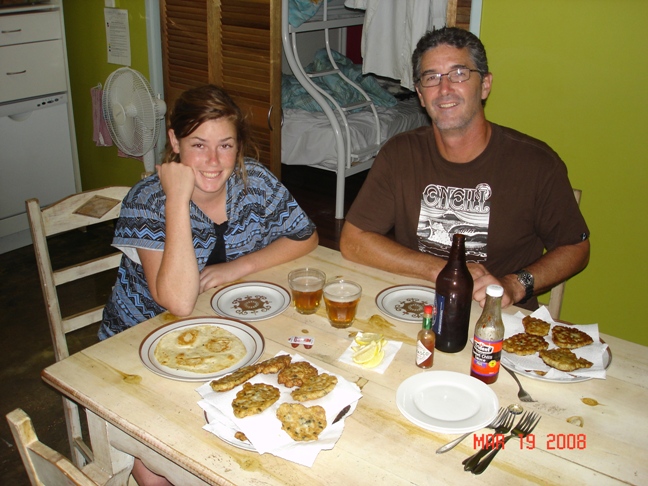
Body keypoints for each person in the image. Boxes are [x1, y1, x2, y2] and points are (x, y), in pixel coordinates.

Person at [99, 85, 318, 485]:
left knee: (262, 440)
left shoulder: (255, 183)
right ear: (174, 142)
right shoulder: (147, 200)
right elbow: (179, 302)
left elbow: (306, 236)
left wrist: (239, 267)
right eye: (198, 144)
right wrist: (177, 200)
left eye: (226, 145)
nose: (214, 161)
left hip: (223, 342)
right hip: (137, 350)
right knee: (161, 465)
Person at [340, 27, 589, 310]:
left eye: (459, 74)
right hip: (418, 309)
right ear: (421, 95)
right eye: (431, 77)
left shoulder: (536, 163)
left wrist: (514, 285)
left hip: (497, 320)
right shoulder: (400, 154)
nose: (444, 89)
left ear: (484, 85)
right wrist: (440, 270)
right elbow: (353, 241)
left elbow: (576, 247)